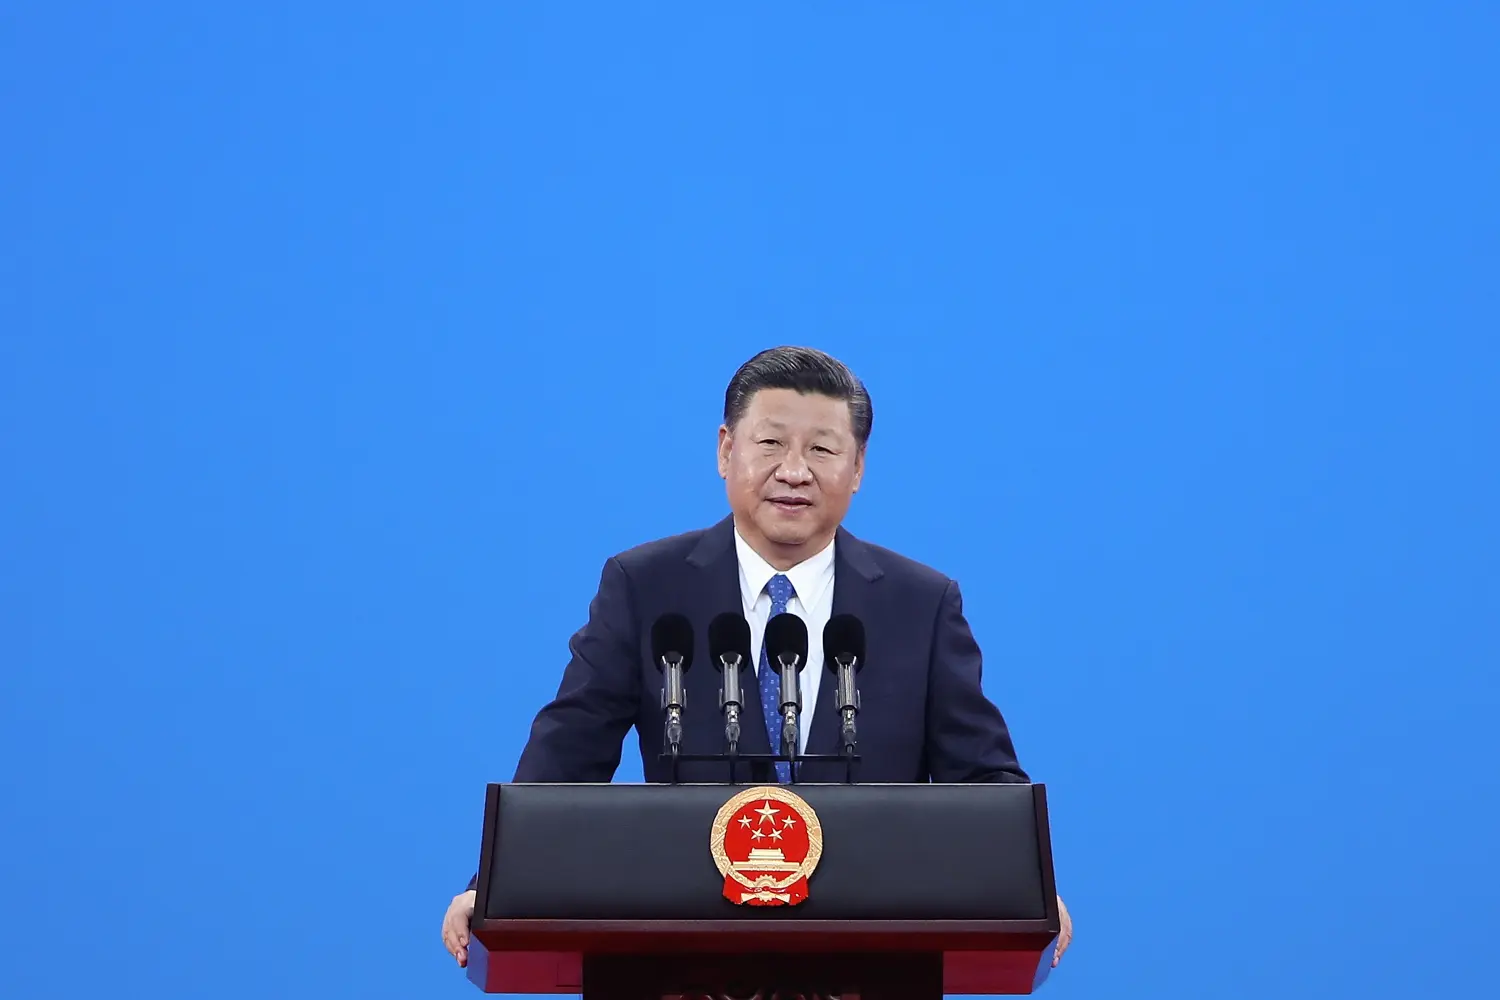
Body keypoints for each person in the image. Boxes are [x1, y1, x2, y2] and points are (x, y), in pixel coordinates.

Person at [441, 346, 1072, 967]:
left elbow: (982, 777)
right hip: (680, 948)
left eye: (822, 450)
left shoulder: (921, 604)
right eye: (770, 444)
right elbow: (567, 754)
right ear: (725, 450)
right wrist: (491, 886)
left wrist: (1027, 882)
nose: (794, 471)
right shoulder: (646, 587)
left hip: (871, 952)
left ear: (857, 468)